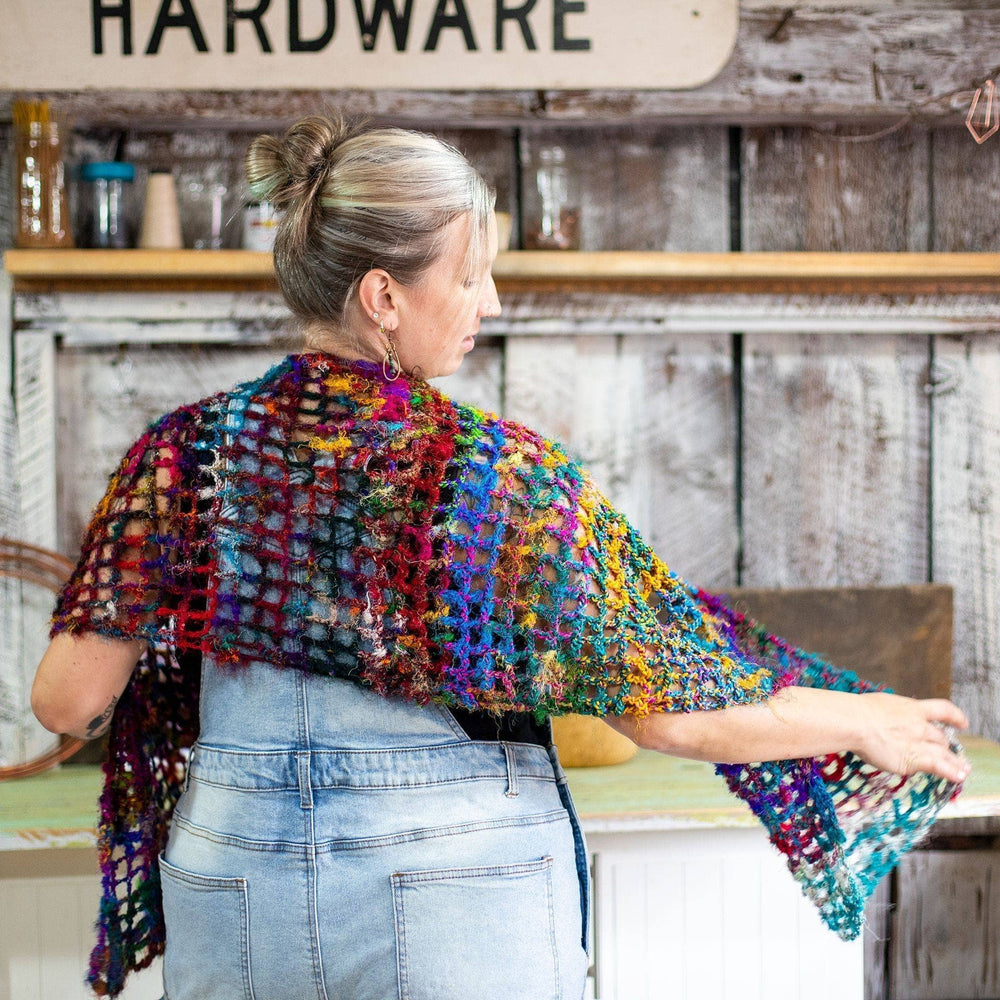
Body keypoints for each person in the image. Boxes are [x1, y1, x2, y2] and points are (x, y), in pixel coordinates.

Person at [32, 115, 970, 1000]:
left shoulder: (183, 454)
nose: (490, 301)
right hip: (453, 890)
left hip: (233, 892)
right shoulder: (492, 477)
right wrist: (861, 723)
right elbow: (671, 714)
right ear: (384, 296)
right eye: (471, 274)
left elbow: (67, 704)